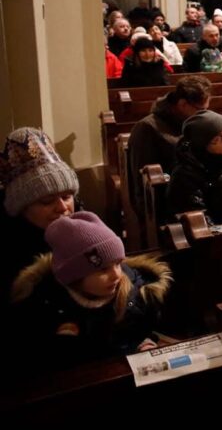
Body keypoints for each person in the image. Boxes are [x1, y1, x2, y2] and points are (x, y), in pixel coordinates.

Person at [8, 211, 171, 367]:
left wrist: (144, 344)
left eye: (118, 263)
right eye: (103, 270)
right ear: (74, 276)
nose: (117, 274)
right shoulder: (46, 304)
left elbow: (141, 331)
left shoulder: (137, 293)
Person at [0, 128, 78, 304]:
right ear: (21, 208)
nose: (62, 207)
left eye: (67, 197)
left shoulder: (86, 225)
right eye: (47, 201)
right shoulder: (9, 256)